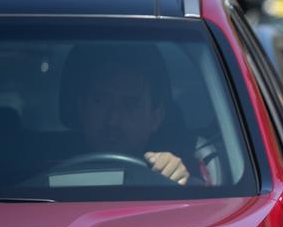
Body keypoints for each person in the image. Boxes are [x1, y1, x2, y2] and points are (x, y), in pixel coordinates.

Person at [59, 44, 192, 184]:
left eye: (130, 104)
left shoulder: (171, 172)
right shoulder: (40, 172)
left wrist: (175, 178)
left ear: (155, 118)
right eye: (100, 101)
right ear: (81, 108)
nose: (113, 120)